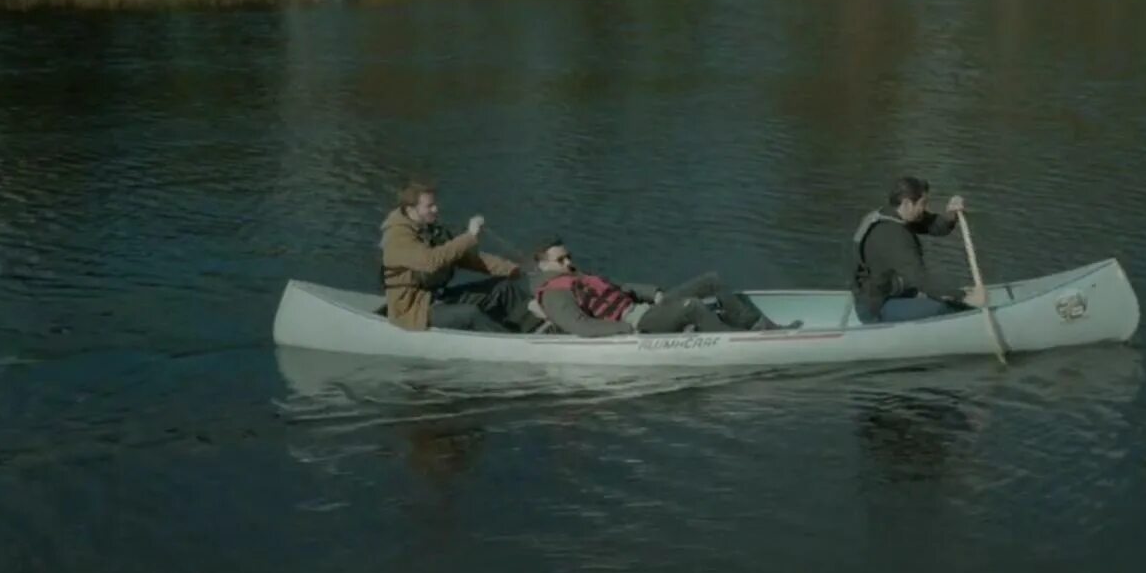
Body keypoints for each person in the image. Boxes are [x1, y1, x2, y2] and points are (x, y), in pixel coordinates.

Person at [527, 240, 797, 336]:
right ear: (544, 265)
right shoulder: (554, 293)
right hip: (637, 322)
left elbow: (621, 288)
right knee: (694, 306)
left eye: (568, 256)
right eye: (561, 259)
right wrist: (625, 328)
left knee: (711, 280)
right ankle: (732, 341)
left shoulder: (575, 275)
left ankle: (757, 326)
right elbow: (580, 326)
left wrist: (653, 293)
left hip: (645, 308)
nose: (569, 261)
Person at [378, 182, 524, 332]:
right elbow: (430, 261)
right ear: (410, 210)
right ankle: (514, 346)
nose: (436, 209)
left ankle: (532, 327)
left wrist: (513, 269)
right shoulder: (397, 237)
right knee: (469, 314)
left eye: (435, 204)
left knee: (503, 288)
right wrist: (469, 237)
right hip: (413, 311)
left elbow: (466, 258)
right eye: (429, 206)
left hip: (436, 297)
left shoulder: (429, 230)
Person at [849, 176, 987, 324]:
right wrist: (964, 297)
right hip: (877, 308)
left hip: (892, 293)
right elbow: (920, 279)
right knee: (943, 308)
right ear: (908, 203)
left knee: (944, 296)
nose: (924, 209)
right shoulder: (892, 235)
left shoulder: (894, 216)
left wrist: (952, 214)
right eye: (923, 204)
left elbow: (936, 226)